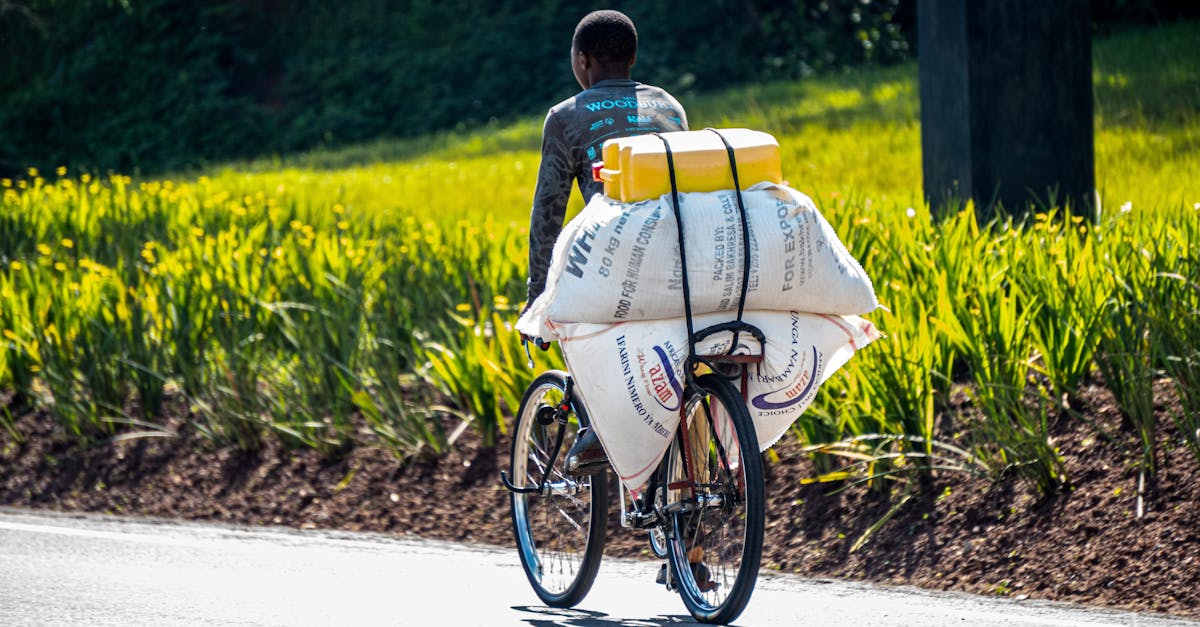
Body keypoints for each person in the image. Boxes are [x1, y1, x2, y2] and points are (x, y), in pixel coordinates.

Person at [523, 10, 688, 477]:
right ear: (633, 57)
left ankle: (596, 426)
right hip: (684, 253)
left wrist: (538, 296)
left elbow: (548, 215)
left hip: (619, 259)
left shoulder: (565, 117)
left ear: (582, 61)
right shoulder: (669, 106)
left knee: (574, 312)